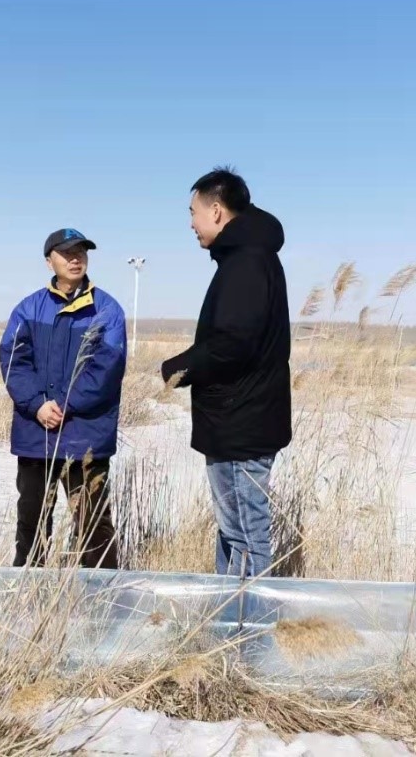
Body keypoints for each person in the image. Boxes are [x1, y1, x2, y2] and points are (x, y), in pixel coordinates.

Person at [161, 168, 291, 579]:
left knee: (246, 538)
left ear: (216, 211)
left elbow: (233, 343)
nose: (191, 223)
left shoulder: (247, 261)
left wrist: (177, 369)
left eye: (193, 212)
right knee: (234, 534)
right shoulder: (246, 255)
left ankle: (249, 619)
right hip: (240, 419)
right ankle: (226, 613)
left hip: (240, 425)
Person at [0, 228, 127, 569]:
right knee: (31, 523)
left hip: (85, 436)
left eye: (81, 252)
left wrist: (65, 405)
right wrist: (37, 405)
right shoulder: (28, 310)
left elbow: (107, 367)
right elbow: (13, 362)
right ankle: (27, 590)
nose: (75, 258)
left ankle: (101, 594)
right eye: (67, 253)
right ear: (48, 261)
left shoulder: (107, 310)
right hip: (36, 435)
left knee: (94, 525)